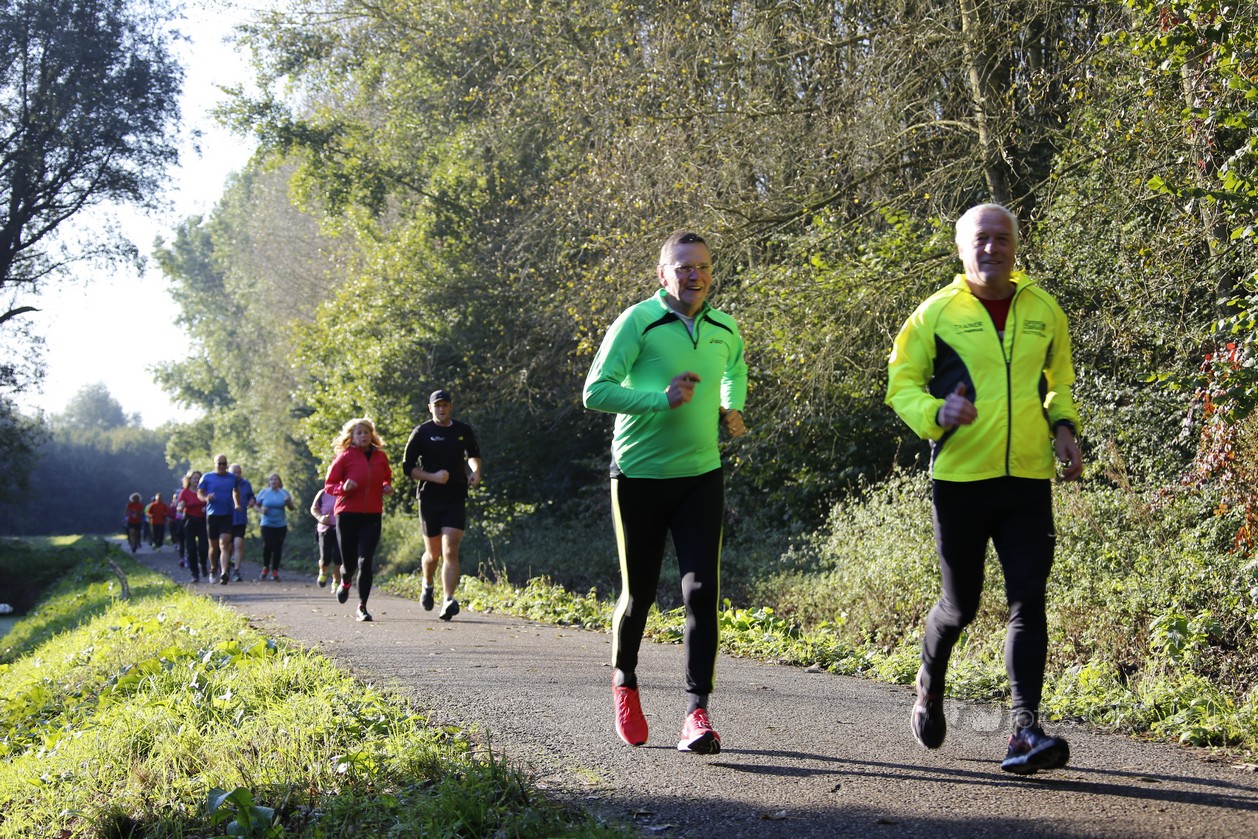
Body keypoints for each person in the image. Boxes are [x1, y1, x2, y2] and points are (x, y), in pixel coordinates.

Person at [885, 203, 1083, 775]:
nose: (992, 248)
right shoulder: (936, 313)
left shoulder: (1044, 309)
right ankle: (929, 681)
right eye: (981, 239)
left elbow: (1059, 380)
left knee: (1028, 600)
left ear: (1015, 245)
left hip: (1027, 479)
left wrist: (1063, 428)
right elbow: (901, 384)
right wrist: (936, 412)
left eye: (1002, 238)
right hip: (961, 481)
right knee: (960, 605)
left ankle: (1024, 730)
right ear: (961, 248)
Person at [582, 230, 748, 755]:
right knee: (640, 595)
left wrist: (732, 406)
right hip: (639, 477)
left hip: (701, 475)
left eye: (702, 266)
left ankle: (696, 713)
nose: (694, 275)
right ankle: (625, 682)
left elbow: (735, 369)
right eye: (683, 267)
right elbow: (595, 392)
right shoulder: (638, 321)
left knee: (701, 592)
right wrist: (662, 399)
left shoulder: (724, 327)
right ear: (663, 274)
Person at [402, 389, 482, 621]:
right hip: (429, 498)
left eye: (445, 405)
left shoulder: (462, 430)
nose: (441, 408)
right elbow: (407, 468)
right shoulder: (422, 432)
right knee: (433, 554)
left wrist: (476, 471)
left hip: (456, 496)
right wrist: (433, 477)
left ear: (450, 407)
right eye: (437, 405)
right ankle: (427, 584)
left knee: (451, 549)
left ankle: (448, 599)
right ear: (430, 408)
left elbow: (473, 454)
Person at [324, 418, 394, 622]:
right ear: (352, 437)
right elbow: (329, 485)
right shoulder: (344, 456)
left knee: (365, 560)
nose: (363, 436)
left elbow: (387, 476)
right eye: (359, 433)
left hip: (372, 514)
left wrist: (386, 486)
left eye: (366, 432)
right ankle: (345, 580)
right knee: (349, 564)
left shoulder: (380, 456)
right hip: (347, 514)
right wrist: (342, 488)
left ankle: (362, 606)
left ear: (372, 435)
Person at [198, 455, 242, 584]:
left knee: (224, 544)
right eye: (219, 464)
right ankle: (213, 568)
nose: (222, 466)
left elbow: (236, 491)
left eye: (224, 464)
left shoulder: (232, 478)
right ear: (215, 464)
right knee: (213, 546)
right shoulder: (207, 477)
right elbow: (200, 492)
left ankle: (224, 572)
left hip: (227, 514)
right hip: (212, 515)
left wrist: (237, 503)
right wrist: (206, 498)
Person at [256, 472, 296, 581]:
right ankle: (265, 567)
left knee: (278, 547)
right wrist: (261, 511)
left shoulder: (284, 493)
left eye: (276, 479)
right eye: (271, 480)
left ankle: (275, 570)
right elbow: (256, 505)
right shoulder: (264, 492)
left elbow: (292, 508)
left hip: (280, 525)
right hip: (266, 524)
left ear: (279, 482)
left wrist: (288, 502)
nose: (273, 481)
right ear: (268, 482)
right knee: (268, 545)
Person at [229, 463, 257, 581]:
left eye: (239, 472)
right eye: (234, 472)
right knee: (227, 545)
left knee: (238, 544)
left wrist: (252, 500)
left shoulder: (246, 484)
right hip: (226, 518)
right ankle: (225, 567)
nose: (237, 475)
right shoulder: (226, 483)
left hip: (240, 518)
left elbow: (252, 496)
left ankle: (236, 571)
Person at [309, 487, 342, 589]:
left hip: (341, 530)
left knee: (338, 558)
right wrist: (321, 518)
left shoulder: (345, 492)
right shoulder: (323, 493)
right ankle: (323, 572)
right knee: (325, 559)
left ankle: (336, 582)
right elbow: (314, 509)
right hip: (325, 530)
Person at [179, 471, 209, 582]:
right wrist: (180, 507)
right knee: (191, 548)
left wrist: (207, 507)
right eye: (194, 478)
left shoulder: (204, 491)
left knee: (203, 547)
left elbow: (210, 502)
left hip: (202, 521)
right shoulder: (185, 492)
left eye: (198, 478)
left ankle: (203, 563)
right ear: (189, 480)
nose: (196, 480)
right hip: (189, 521)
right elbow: (181, 504)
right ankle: (194, 573)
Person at [169, 490, 186, 565]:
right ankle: (182, 558)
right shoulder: (174, 504)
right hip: (179, 521)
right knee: (181, 539)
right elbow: (174, 511)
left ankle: (189, 557)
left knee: (189, 540)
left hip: (189, 520)